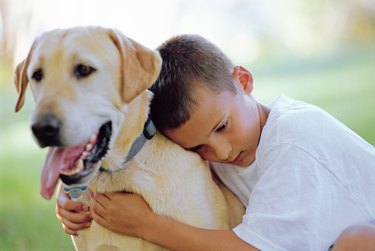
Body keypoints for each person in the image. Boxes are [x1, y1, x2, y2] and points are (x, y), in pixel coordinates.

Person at [55, 34, 375, 251]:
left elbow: (249, 248)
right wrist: (71, 194)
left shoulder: (293, 140)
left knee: (358, 242)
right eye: (198, 148)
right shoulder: (223, 140)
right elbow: (133, 148)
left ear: (244, 81)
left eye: (222, 126)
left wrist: (146, 225)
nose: (220, 152)